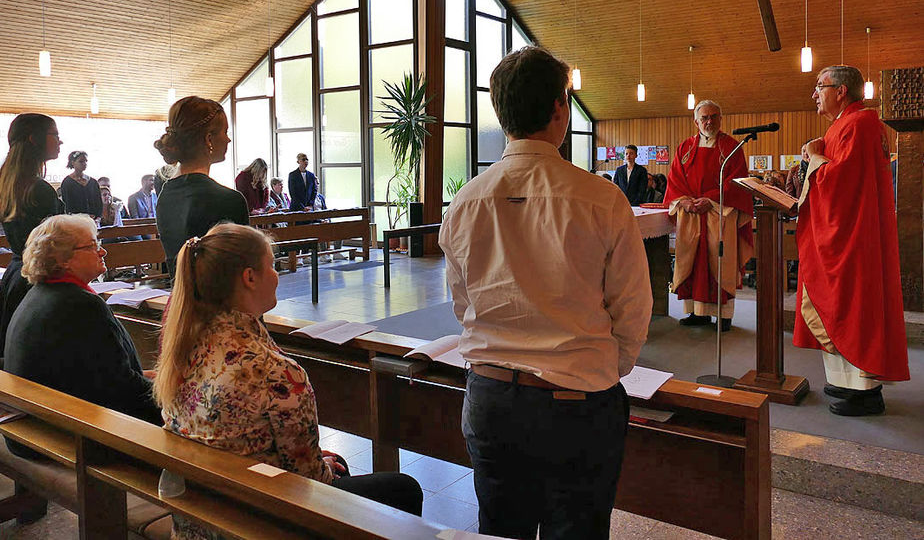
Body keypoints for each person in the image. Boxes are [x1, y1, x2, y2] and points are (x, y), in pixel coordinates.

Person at [439, 46, 652, 540]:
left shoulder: (466, 200)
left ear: (500, 111)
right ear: (560, 109)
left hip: (491, 396)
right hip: (576, 400)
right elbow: (633, 305)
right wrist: (605, 366)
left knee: (500, 528)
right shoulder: (601, 198)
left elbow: (462, 303)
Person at [153, 223, 422, 538]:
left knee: (339, 463)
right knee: (403, 488)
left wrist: (320, 461)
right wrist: (321, 465)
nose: (277, 275)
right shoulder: (275, 371)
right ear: (249, 278)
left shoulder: (187, 344)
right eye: (272, 266)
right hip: (260, 517)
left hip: (203, 510)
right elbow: (312, 482)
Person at [795, 66, 909, 416]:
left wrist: (813, 156)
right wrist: (813, 155)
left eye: (820, 87)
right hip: (846, 232)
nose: (815, 94)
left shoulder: (859, 124)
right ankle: (846, 383)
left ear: (841, 91)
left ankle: (863, 389)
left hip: (851, 237)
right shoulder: (845, 124)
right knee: (841, 305)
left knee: (852, 305)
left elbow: (840, 182)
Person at [4, 214, 160, 458]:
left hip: (42, 423)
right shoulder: (80, 305)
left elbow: (95, 373)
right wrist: (171, 396)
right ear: (62, 259)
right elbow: (123, 392)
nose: (103, 252)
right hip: (72, 436)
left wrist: (146, 377)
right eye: (92, 246)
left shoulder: (41, 293)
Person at [664, 100, 753, 331]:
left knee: (720, 262)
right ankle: (698, 313)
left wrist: (710, 200)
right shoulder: (684, 148)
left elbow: (737, 182)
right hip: (691, 216)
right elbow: (674, 179)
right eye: (704, 118)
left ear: (721, 119)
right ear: (696, 121)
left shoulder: (732, 147)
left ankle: (723, 316)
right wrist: (684, 200)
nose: (709, 122)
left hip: (719, 214)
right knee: (692, 262)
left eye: (714, 117)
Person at [154, 96, 248, 276]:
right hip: (218, 301)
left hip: (179, 300)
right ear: (209, 139)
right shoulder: (228, 200)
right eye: (225, 132)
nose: (228, 140)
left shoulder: (166, 193)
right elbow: (242, 270)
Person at [0, 113, 64, 357]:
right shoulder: (38, 189)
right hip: (39, 280)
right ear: (34, 139)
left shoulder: (10, 183)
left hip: (17, 274)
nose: (60, 142)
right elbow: (55, 246)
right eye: (55, 135)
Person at [59, 150, 103, 219]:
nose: (84, 163)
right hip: (76, 220)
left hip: (93, 219)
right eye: (81, 161)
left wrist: (98, 217)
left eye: (86, 161)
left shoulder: (93, 182)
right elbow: (67, 204)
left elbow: (98, 202)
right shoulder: (67, 182)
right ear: (73, 163)